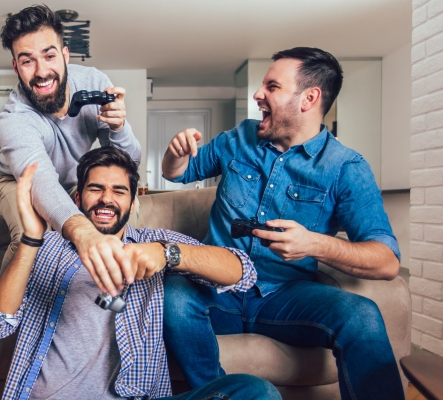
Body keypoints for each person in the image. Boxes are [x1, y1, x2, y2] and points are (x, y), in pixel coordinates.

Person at [161, 47, 403, 400]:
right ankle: (220, 395)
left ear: (309, 98)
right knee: (172, 293)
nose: (258, 94)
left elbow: (386, 261)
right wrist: (175, 155)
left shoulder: (345, 168)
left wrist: (314, 244)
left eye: (272, 86)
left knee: (362, 315)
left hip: (286, 298)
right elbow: (178, 172)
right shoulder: (240, 138)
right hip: (217, 286)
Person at [0, 146, 280, 399]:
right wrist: (31, 238)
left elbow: (243, 272)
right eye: (95, 188)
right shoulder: (48, 246)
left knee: (254, 391)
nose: (106, 199)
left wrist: (168, 253)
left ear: (133, 202)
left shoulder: (153, 244)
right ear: (76, 200)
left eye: (119, 191)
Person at [0, 5, 142, 293]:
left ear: (65, 55)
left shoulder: (94, 82)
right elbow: (42, 184)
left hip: (75, 178)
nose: (41, 72)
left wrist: (118, 128)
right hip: (19, 180)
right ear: (15, 67)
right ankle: (6, 314)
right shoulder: (13, 120)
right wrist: (84, 233)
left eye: (49, 56)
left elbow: (128, 166)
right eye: (27, 61)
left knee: (125, 217)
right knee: (30, 233)